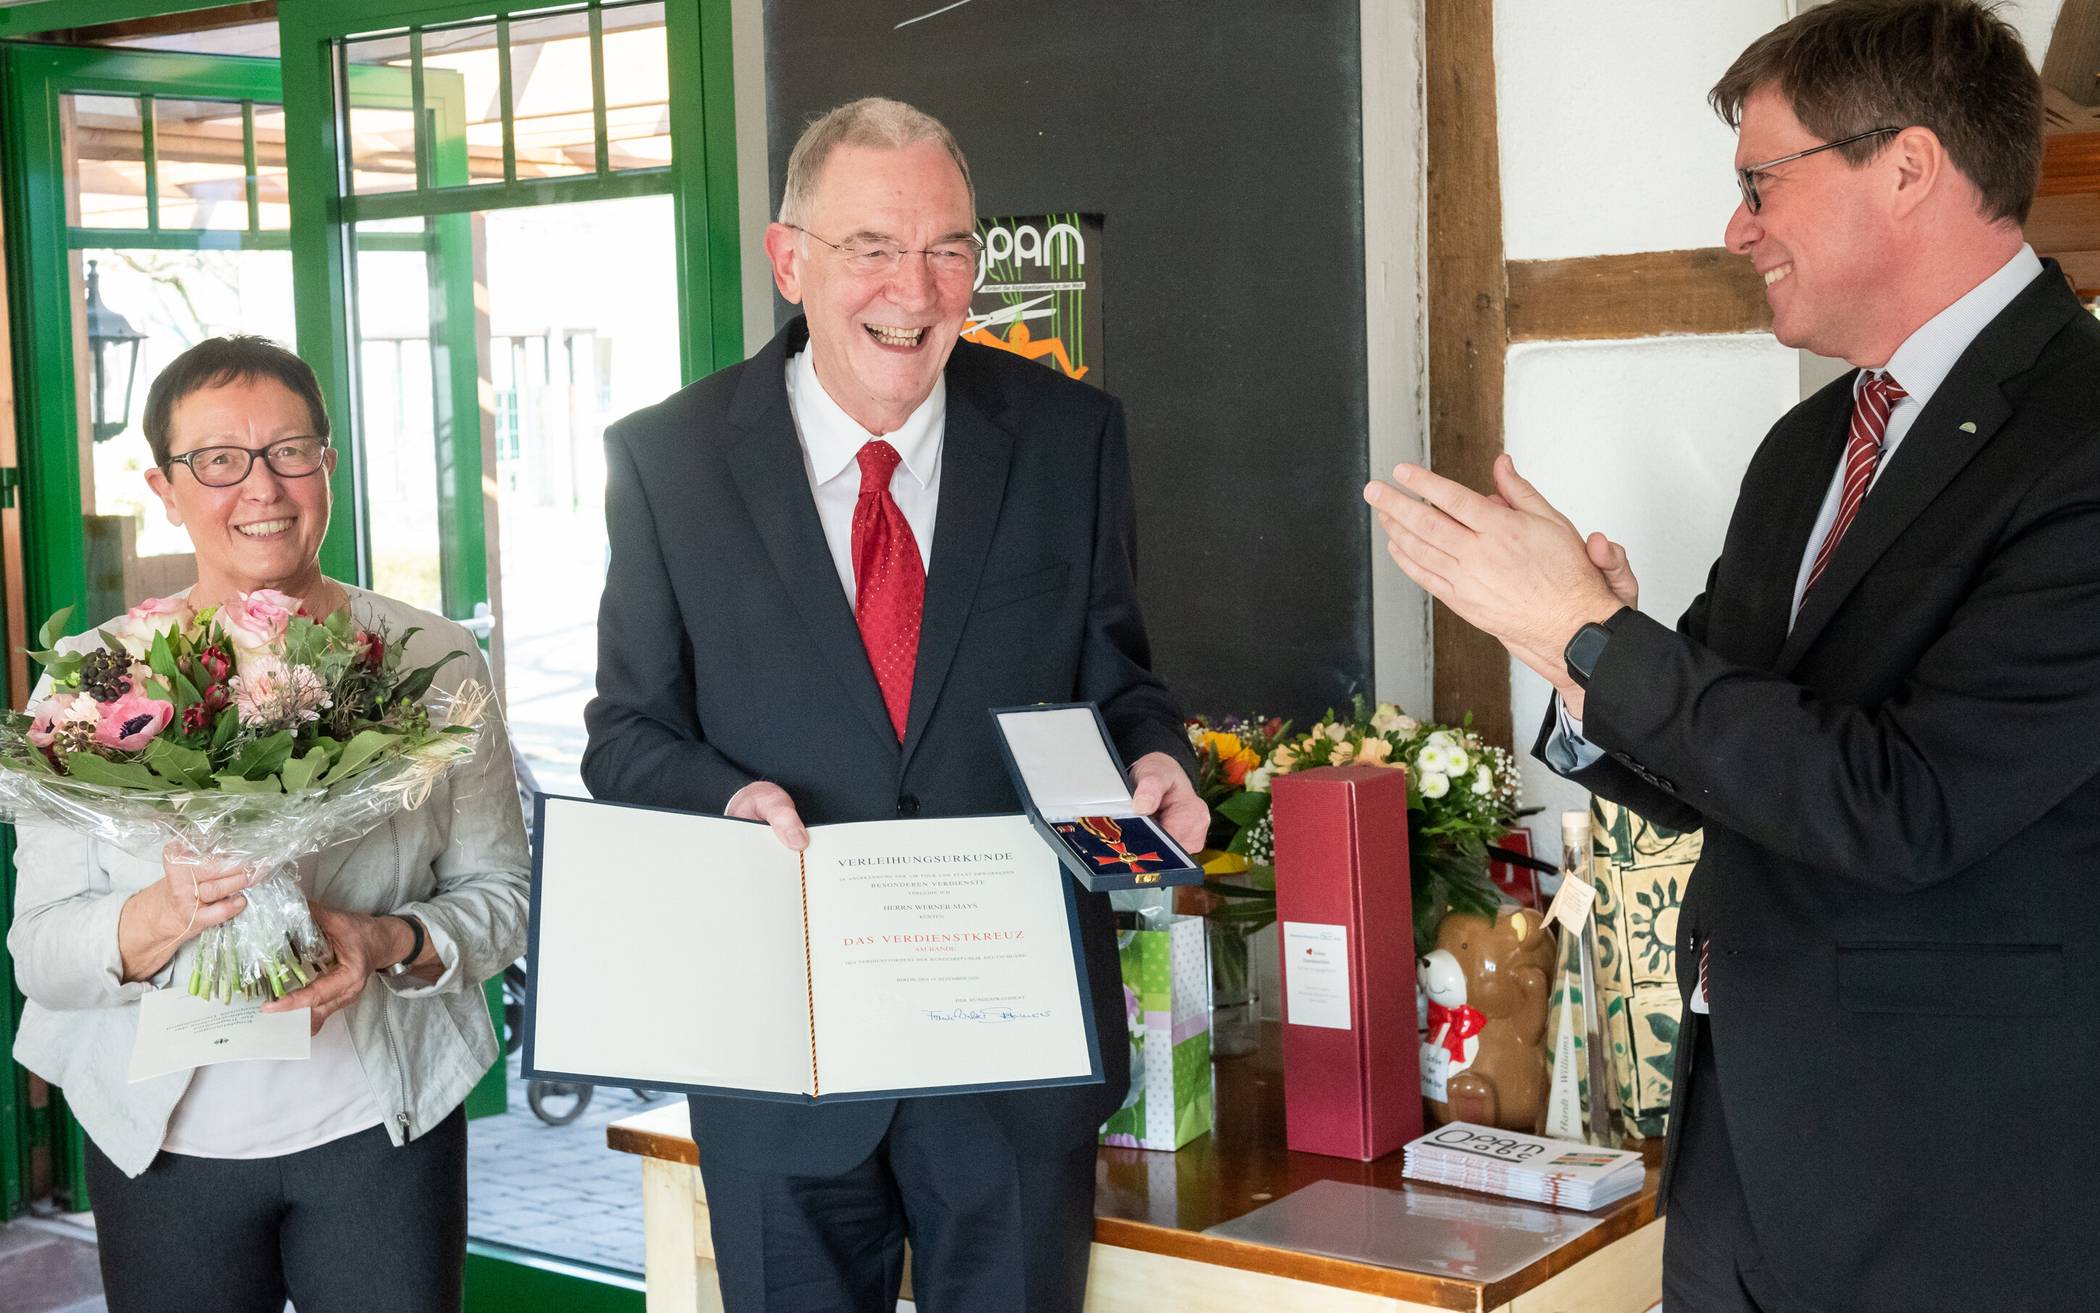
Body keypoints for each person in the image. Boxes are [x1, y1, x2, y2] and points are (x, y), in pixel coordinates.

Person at [1364, 3, 2095, 1310]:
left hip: (1954, 1201)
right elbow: (1706, 753)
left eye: (1763, 183)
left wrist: (1583, 634)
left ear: (1909, 165)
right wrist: (1587, 664)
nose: (1737, 228)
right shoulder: (1808, 451)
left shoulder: (2081, 438)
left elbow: (1904, 806)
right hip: (1737, 1174)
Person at [581, 97, 1204, 1312]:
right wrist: (726, 792)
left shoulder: (1071, 434)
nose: (913, 291)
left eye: (948, 248)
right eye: (872, 245)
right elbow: (625, 733)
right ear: (789, 258)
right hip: (783, 1046)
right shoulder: (669, 460)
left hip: (1010, 1055)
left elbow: (1118, 678)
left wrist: (1157, 753)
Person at [8, 336, 530, 1313]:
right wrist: (163, 912)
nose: (262, 486)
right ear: (166, 485)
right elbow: (38, 952)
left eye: (290, 450)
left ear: (326, 464)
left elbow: (503, 901)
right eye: (218, 459)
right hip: (161, 1142)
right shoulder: (91, 680)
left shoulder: (432, 661)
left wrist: (384, 939)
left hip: (380, 1127)